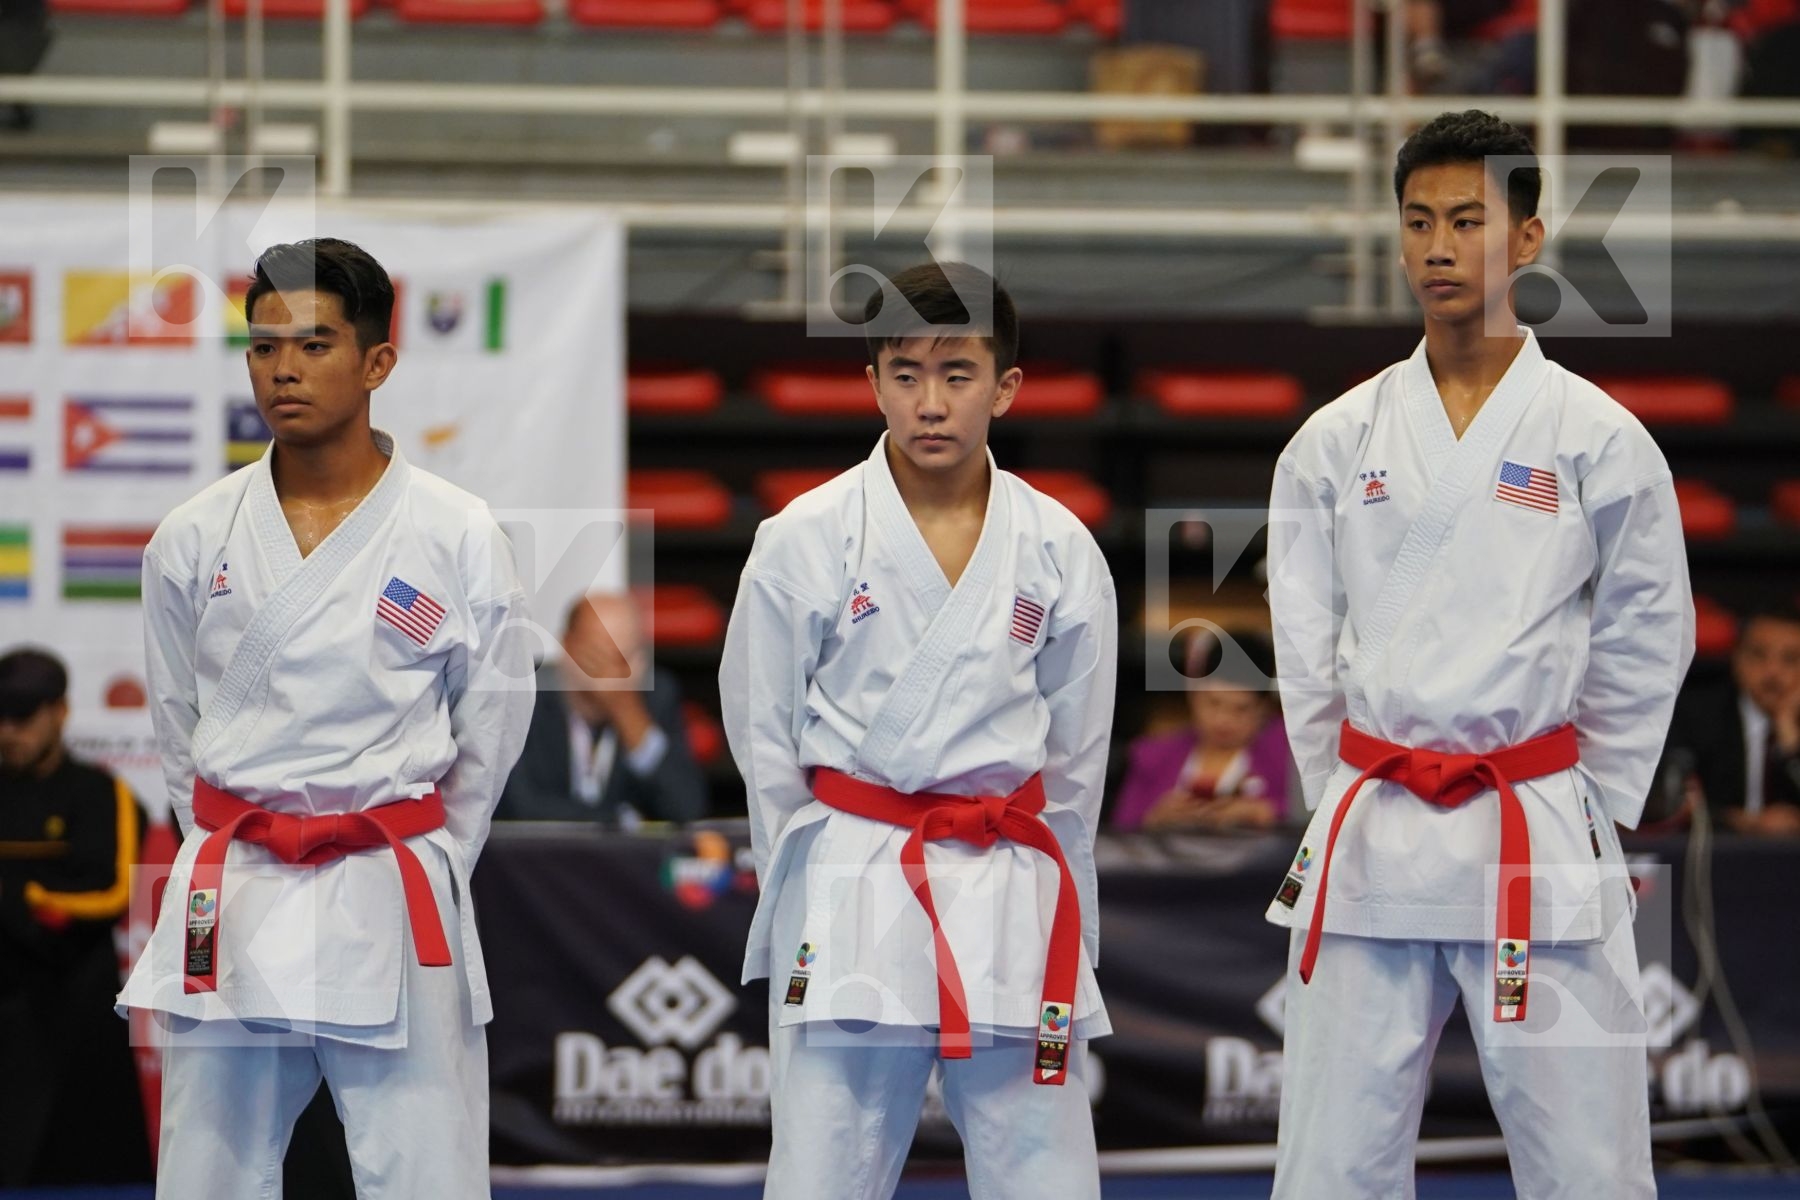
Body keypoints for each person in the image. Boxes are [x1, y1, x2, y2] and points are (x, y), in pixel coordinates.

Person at [1263, 110, 1693, 1199]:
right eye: (1418, 222)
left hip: (1533, 817)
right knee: (1332, 1159)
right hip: (1376, 822)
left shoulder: (1596, 436)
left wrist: (1590, 797)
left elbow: (1651, 627)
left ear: (1531, 237)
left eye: (1467, 219)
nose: (1439, 247)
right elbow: (1305, 642)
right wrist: (1338, 789)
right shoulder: (1335, 437)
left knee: (1587, 1157)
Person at [116, 237, 535, 1199]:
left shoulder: (455, 530)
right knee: (206, 1170)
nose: (283, 369)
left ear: (378, 361)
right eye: (263, 348)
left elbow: (495, 720)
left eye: (313, 344)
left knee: (425, 1169)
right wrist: (225, 830)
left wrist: (421, 849)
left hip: (391, 877)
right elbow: (178, 722)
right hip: (240, 875)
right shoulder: (191, 535)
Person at [720, 261, 1116, 1200]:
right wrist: (814, 874)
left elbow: (1077, 757)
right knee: (824, 1165)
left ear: (1006, 387)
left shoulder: (1057, 545)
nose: (930, 402)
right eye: (905, 374)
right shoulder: (804, 536)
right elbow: (763, 737)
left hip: (1008, 872)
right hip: (857, 867)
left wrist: (1069, 904)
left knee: (1041, 1167)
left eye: (957, 374)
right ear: (873, 384)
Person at [0, 648, 152, 1186]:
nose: (8, 731)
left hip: (72, 1017)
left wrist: (20, 898)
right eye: (0, 717)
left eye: (22, 717)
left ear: (60, 712)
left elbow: (112, 893)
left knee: (93, 1178)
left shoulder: (99, 793)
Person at [498, 590, 707, 825]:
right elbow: (518, 806)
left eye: (625, 658)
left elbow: (686, 806)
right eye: (599, 656)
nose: (613, 673)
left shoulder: (656, 697)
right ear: (567, 647)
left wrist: (628, 714)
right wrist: (617, 822)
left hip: (632, 860)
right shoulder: (524, 693)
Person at [1111, 629, 1291, 832]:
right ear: (1193, 694)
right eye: (1213, 703)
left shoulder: (1289, 755)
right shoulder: (1152, 757)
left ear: (1265, 709)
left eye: (1241, 709)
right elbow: (1120, 833)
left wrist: (1264, 814)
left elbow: (1310, 819)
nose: (1223, 720)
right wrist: (1155, 819)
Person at [1664, 602, 1800, 836]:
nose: (1773, 671)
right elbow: (1671, 801)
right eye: (1759, 655)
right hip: (1715, 858)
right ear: (1737, 659)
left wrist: (1790, 744)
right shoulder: (1696, 715)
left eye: (1789, 659)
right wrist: (1746, 823)